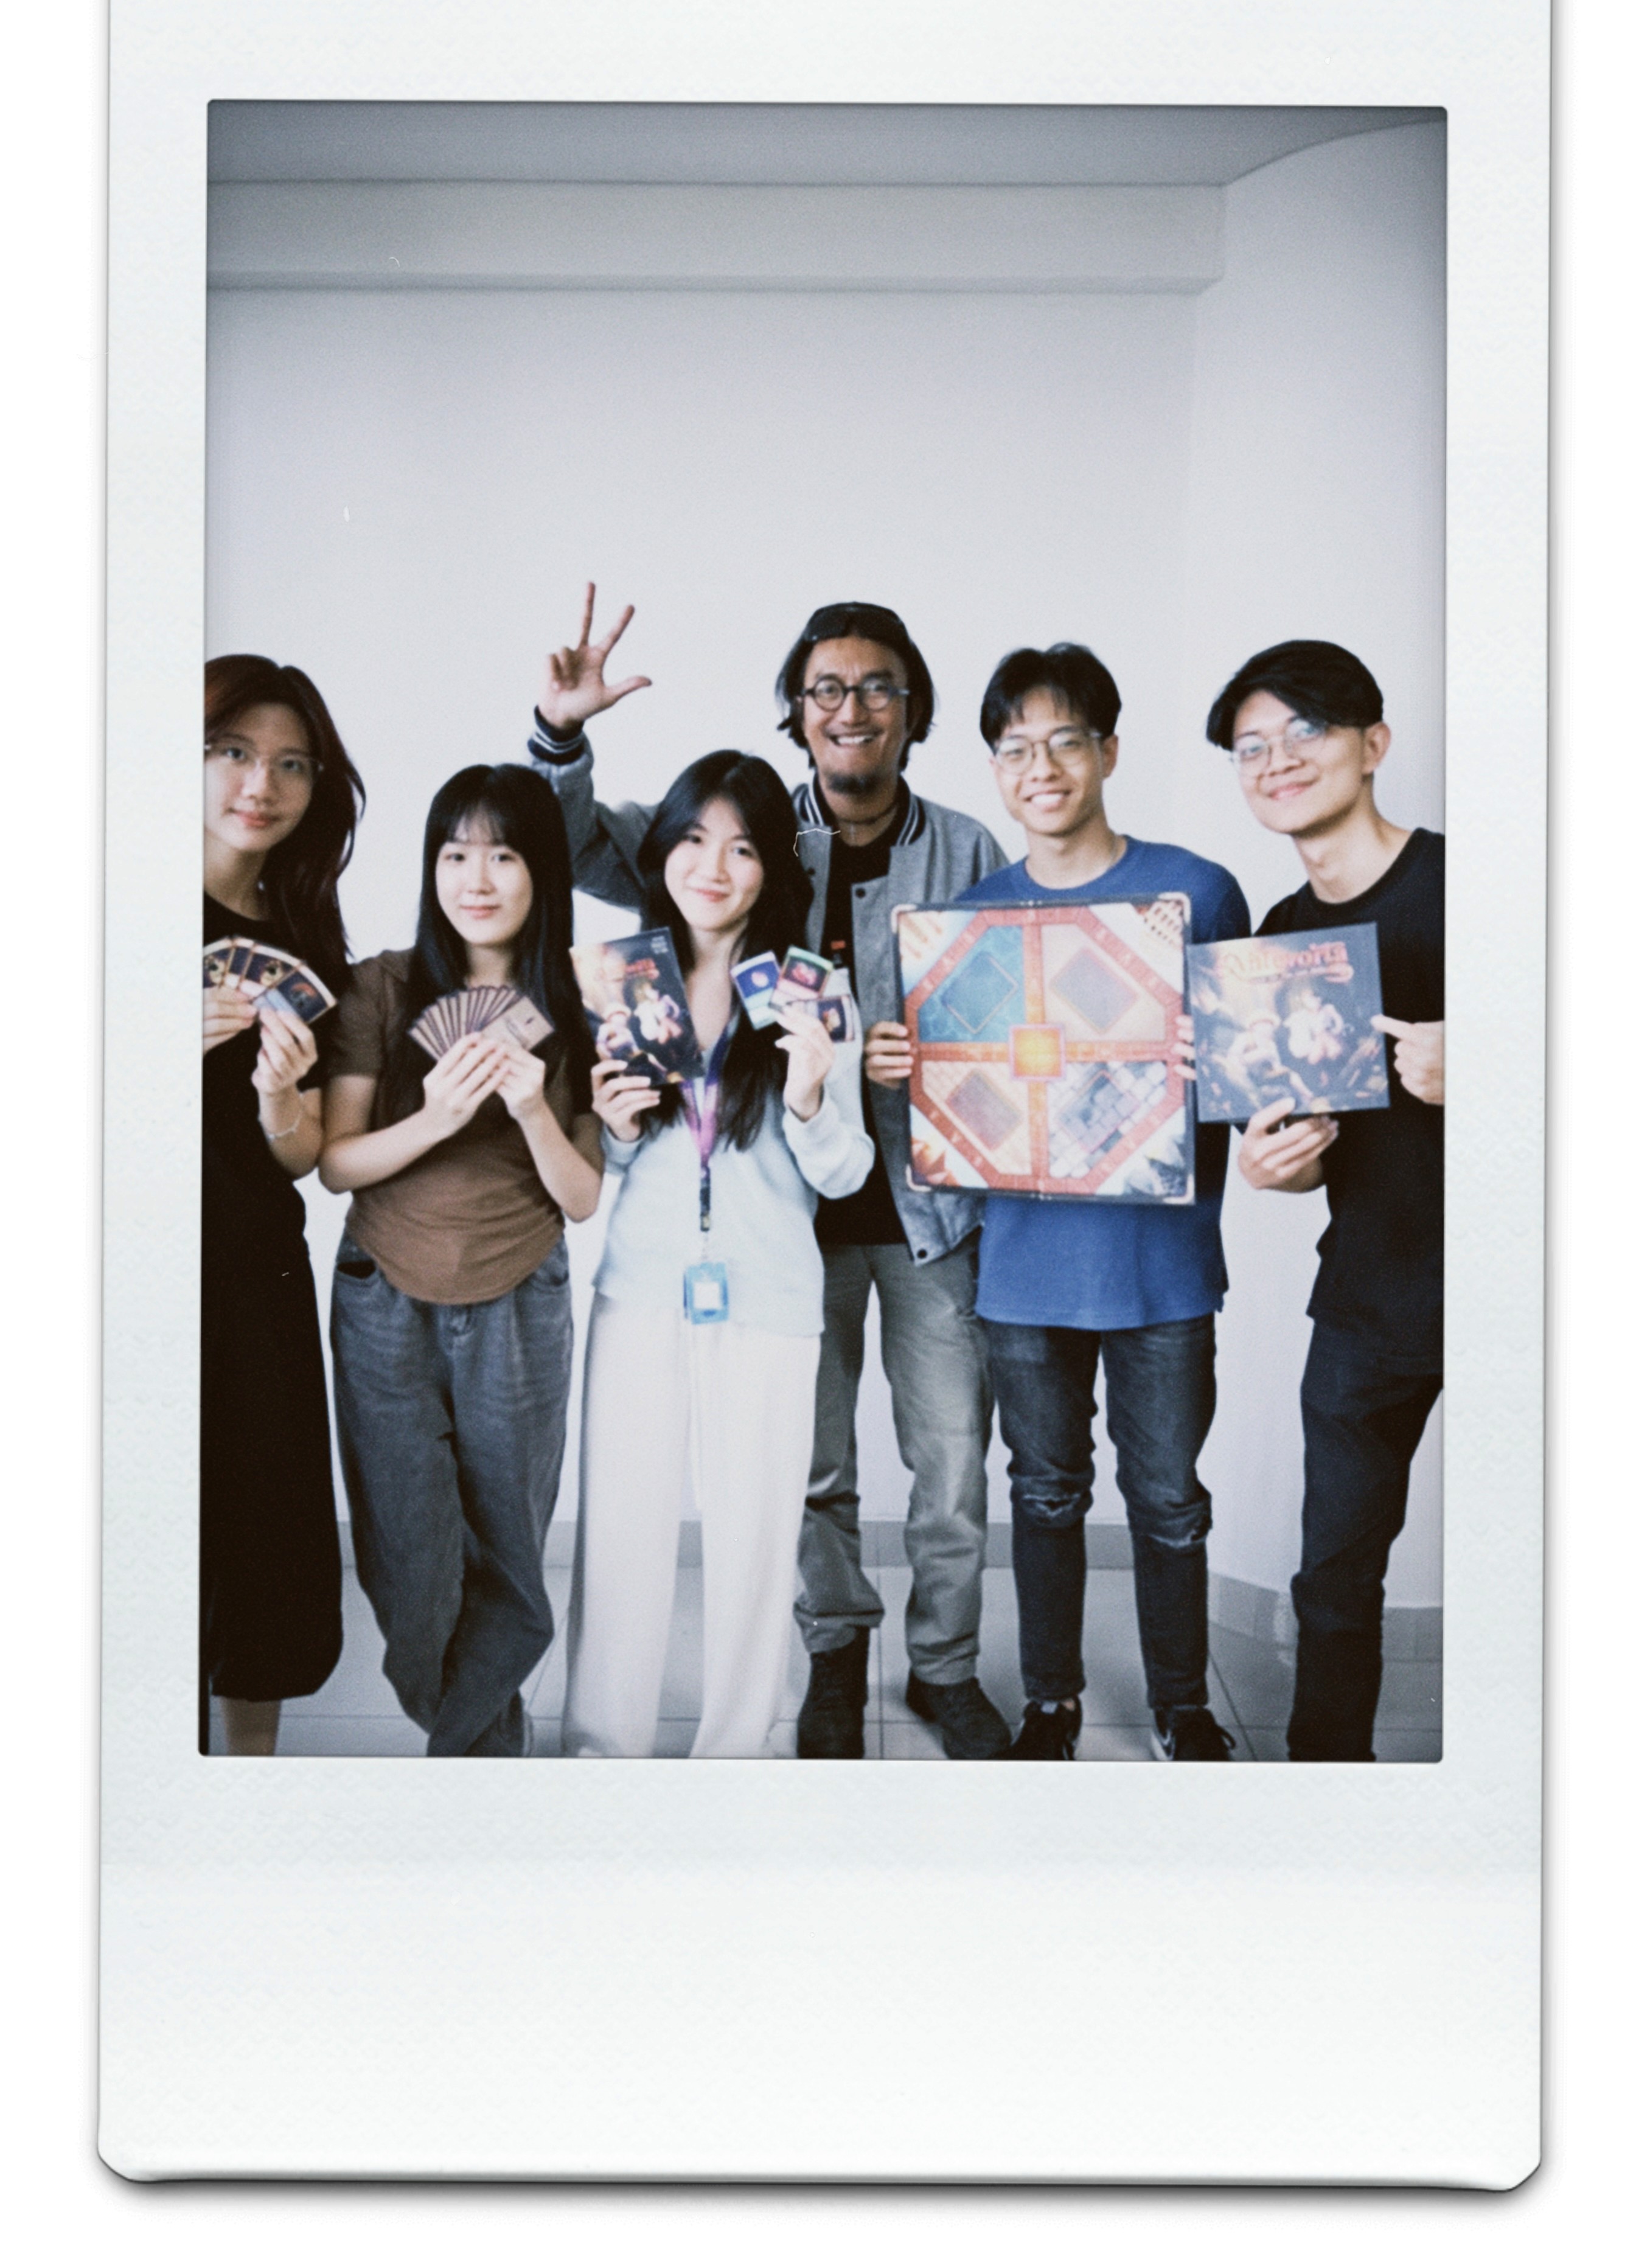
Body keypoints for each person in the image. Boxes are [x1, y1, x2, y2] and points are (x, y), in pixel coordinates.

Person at [528, 590, 1010, 1761]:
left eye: (878, 686)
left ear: (914, 710)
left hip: (915, 1200)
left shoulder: (962, 850)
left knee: (945, 1453)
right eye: (826, 688)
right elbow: (583, 839)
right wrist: (559, 737)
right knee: (808, 1472)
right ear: (796, 710)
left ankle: (938, 1667)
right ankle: (833, 1652)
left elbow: (1008, 1002)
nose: (851, 708)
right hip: (744, 1241)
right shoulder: (743, 835)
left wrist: (886, 1065)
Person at [872, 643, 1248, 1760]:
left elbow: (1251, 1076)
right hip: (1022, 1263)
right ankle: (1052, 1701)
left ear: (1108, 751)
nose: (1039, 766)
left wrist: (1206, 1059)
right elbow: (963, 1101)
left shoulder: (1197, 890)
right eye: (1013, 748)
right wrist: (906, 1063)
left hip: (1161, 1263)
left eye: (1064, 740)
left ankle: (1182, 1704)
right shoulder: (968, 921)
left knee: (1169, 1498)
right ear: (995, 769)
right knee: (1041, 1492)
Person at [562, 752, 875, 1759]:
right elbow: (612, 1161)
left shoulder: (810, 988)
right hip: (641, 1292)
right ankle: (601, 1748)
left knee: (753, 1542)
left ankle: (737, 1752)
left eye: (743, 847)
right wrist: (611, 1127)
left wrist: (812, 1093)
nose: (714, 865)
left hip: (770, 1302)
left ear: (771, 868)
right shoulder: (622, 977)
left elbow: (844, 1172)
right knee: (619, 1537)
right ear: (661, 852)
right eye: (694, 838)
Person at [320, 767, 602, 1756]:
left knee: (512, 1556)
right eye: (454, 852)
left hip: (521, 1291)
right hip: (383, 1291)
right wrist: (435, 1116)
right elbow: (336, 1161)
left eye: (503, 852)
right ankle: (477, 1737)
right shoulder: (385, 984)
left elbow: (580, 1194)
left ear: (541, 870)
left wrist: (529, 1105)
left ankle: (469, 1767)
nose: (475, 877)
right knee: (407, 1556)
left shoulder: (578, 997)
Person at [1205, 640, 1443, 1762]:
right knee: (1334, 1582)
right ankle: (1323, 1808)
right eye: (1252, 745)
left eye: (1305, 730)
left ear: (1373, 744)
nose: (1277, 759)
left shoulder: (1484, 885)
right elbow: (1287, 1151)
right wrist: (1273, 1166)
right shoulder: (1280, 943)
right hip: (1367, 1298)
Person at [201, 654, 364, 1756]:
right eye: (231, 751)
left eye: (291, 763)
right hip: (128, 1266)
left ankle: (244, 1784)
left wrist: (276, 1103)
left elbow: (303, 1155)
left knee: (262, 1539)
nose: (261, 782)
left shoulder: (307, 928)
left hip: (254, 1262)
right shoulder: (94, 891)